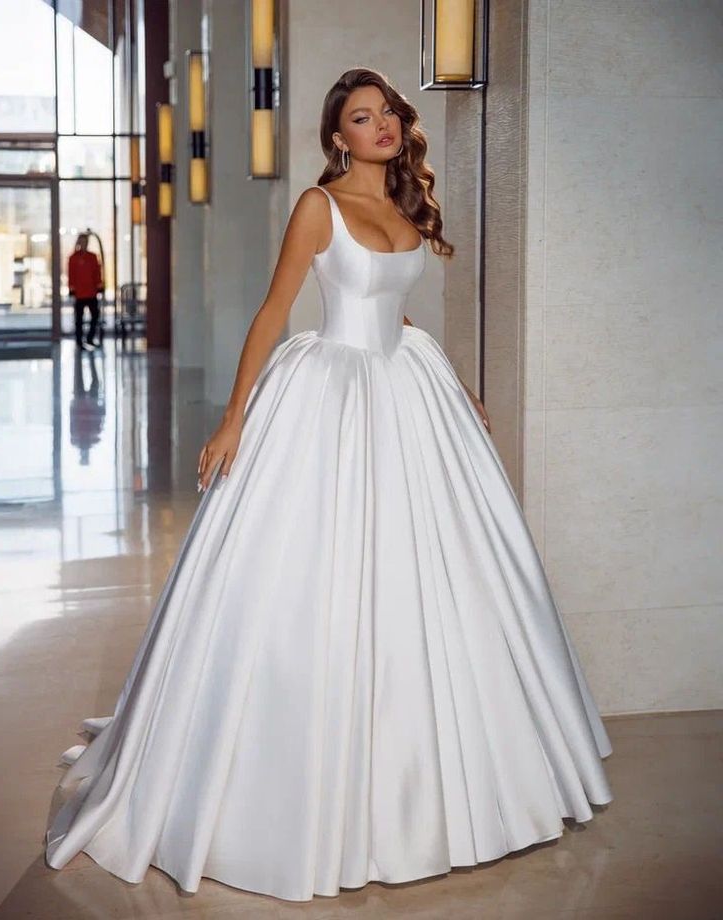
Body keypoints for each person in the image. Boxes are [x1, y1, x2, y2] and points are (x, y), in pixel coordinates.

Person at [44, 68, 613, 902]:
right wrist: (236, 415)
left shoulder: (409, 207)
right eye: (360, 117)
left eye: (386, 113)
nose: (379, 125)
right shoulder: (320, 205)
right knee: (319, 574)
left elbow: (398, 313)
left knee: (443, 576)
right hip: (330, 392)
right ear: (337, 136)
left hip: (405, 386)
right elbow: (276, 312)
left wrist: (455, 386)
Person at [68, 233, 103, 350]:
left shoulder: (93, 257)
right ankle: (79, 341)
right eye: (82, 241)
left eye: (86, 241)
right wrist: (71, 288)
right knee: (79, 319)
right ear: (79, 243)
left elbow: (97, 273)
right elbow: (71, 275)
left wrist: (99, 285)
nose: (84, 244)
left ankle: (90, 338)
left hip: (91, 292)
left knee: (95, 316)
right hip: (79, 293)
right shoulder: (73, 258)